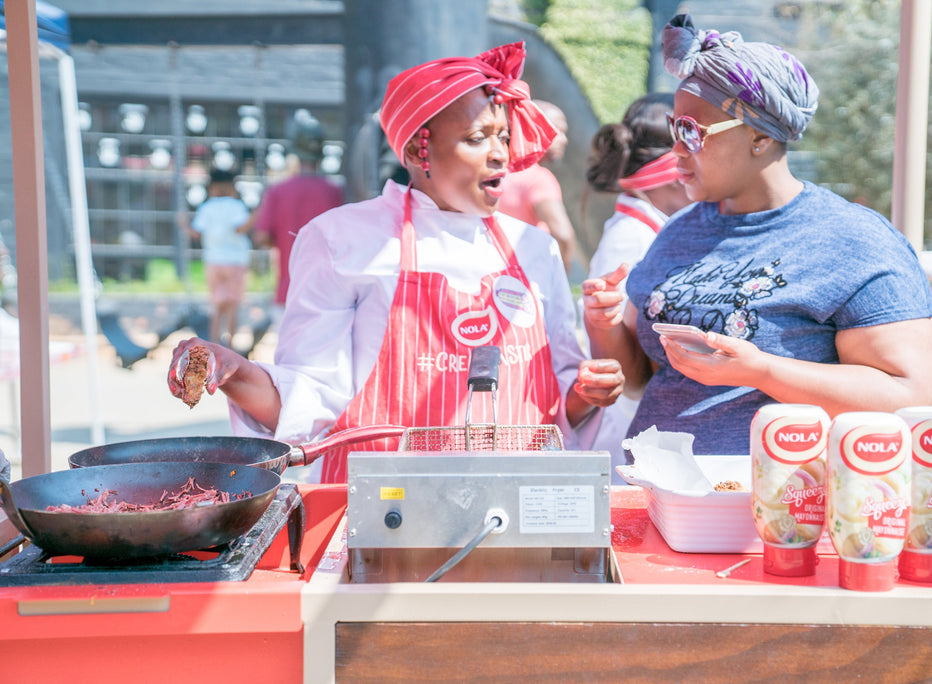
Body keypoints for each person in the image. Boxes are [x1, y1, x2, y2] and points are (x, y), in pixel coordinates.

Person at [167, 41, 624, 483]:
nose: (500, 153)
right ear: (417, 151)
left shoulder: (535, 248)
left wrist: (586, 392)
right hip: (383, 510)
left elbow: (558, 395)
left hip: (518, 501)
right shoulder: (343, 240)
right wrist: (237, 372)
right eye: (476, 138)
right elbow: (311, 396)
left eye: (503, 136)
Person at [581, 14, 932, 456]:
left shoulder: (854, 240)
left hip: (781, 497)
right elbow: (639, 378)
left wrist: (762, 370)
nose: (676, 150)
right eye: (675, 128)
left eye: (691, 132)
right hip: (655, 489)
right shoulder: (678, 230)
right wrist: (605, 326)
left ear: (759, 138)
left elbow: (909, 395)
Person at [583, 92, 691, 472]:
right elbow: (625, 361)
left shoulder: (646, 230)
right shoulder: (632, 239)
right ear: (673, 171)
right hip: (630, 429)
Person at [252, 112, 344, 321]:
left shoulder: (278, 191)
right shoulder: (335, 192)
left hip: (289, 289)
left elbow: (262, 236)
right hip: (329, 293)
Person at [498, 100, 580, 270]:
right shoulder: (539, 179)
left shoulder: (492, 171)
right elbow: (563, 235)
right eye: (557, 131)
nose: (564, 140)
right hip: (524, 273)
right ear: (532, 130)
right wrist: (561, 273)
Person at [186, 168, 253, 348]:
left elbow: (196, 232)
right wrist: (257, 215)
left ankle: (215, 345)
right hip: (236, 260)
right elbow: (240, 228)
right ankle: (229, 345)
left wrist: (183, 224)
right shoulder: (236, 206)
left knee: (216, 305)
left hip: (213, 260)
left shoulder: (207, 207)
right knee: (233, 305)